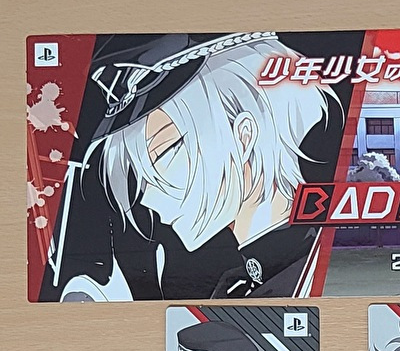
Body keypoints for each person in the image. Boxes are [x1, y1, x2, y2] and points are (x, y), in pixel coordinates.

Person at [61, 33, 341, 301]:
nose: (147, 198)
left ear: (243, 136)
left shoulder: (311, 273)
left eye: (164, 153)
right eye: (142, 176)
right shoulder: (238, 284)